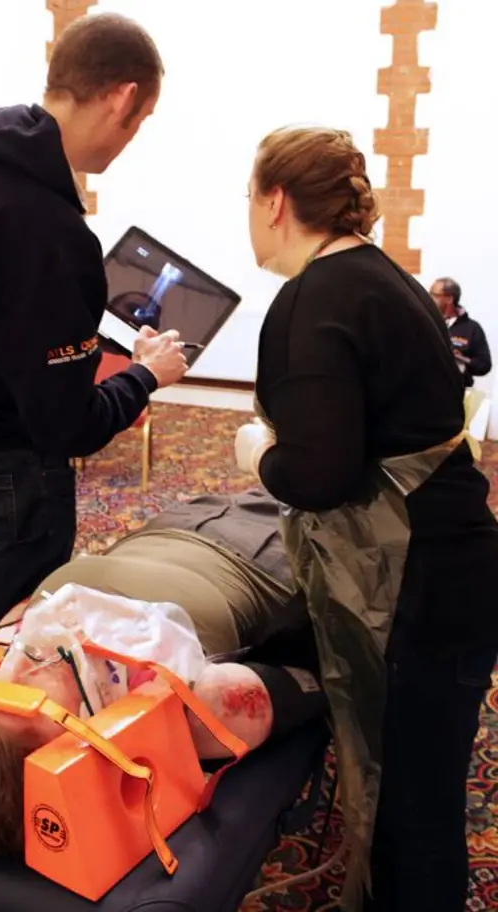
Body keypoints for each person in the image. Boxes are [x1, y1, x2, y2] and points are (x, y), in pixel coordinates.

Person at [234, 127, 498, 912]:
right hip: (457, 569)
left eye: (248, 198)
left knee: (411, 814)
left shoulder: (312, 300)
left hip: (417, 588)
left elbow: (318, 475)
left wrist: (258, 456)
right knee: (424, 790)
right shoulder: (385, 278)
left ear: (276, 201)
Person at [0, 13, 188, 640]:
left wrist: (95, 341)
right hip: (6, 468)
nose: (131, 137)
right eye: (141, 122)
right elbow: (69, 426)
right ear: (123, 99)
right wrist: (146, 375)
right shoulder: (46, 225)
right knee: (24, 640)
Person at [0, 489, 327, 858]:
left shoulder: (5, 648)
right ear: (67, 759)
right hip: (263, 554)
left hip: (175, 523)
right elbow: (316, 683)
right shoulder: (192, 713)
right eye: (30, 694)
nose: (28, 664)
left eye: (1, 685)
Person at [429, 277, 492, 387]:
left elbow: (484, 365)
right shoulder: (426, 322)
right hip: (425, 392)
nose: (429, 298)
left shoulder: (472, 328)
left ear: (449, 299)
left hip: (455, 394)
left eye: (434, 295)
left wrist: (461, 359)